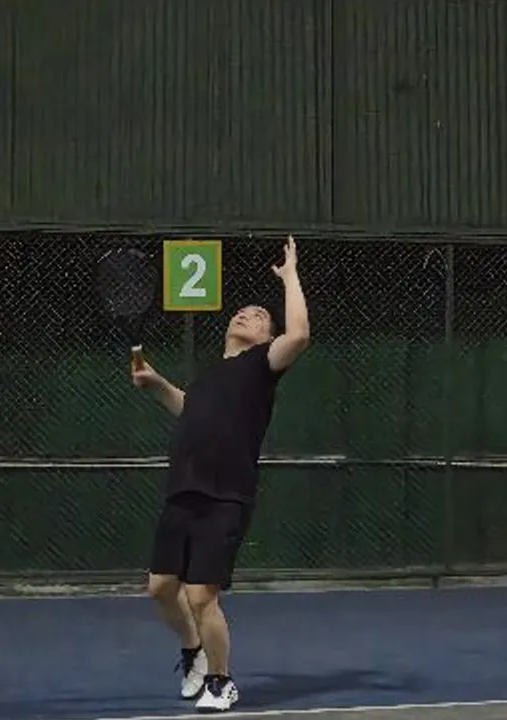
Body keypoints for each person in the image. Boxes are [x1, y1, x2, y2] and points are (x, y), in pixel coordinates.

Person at [131, 236, 310, 713]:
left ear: (268, 339)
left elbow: (299, 334)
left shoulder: (262, 367)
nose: (246, 315)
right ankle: (193, 651)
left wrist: (290, 276)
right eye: (242, 312)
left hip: (225, 495)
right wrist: (158, 385)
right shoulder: (211, 376)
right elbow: (189, 409)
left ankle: (220, 680)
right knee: (161, 588)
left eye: (259, 315)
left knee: (200, 594)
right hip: (183, 490)